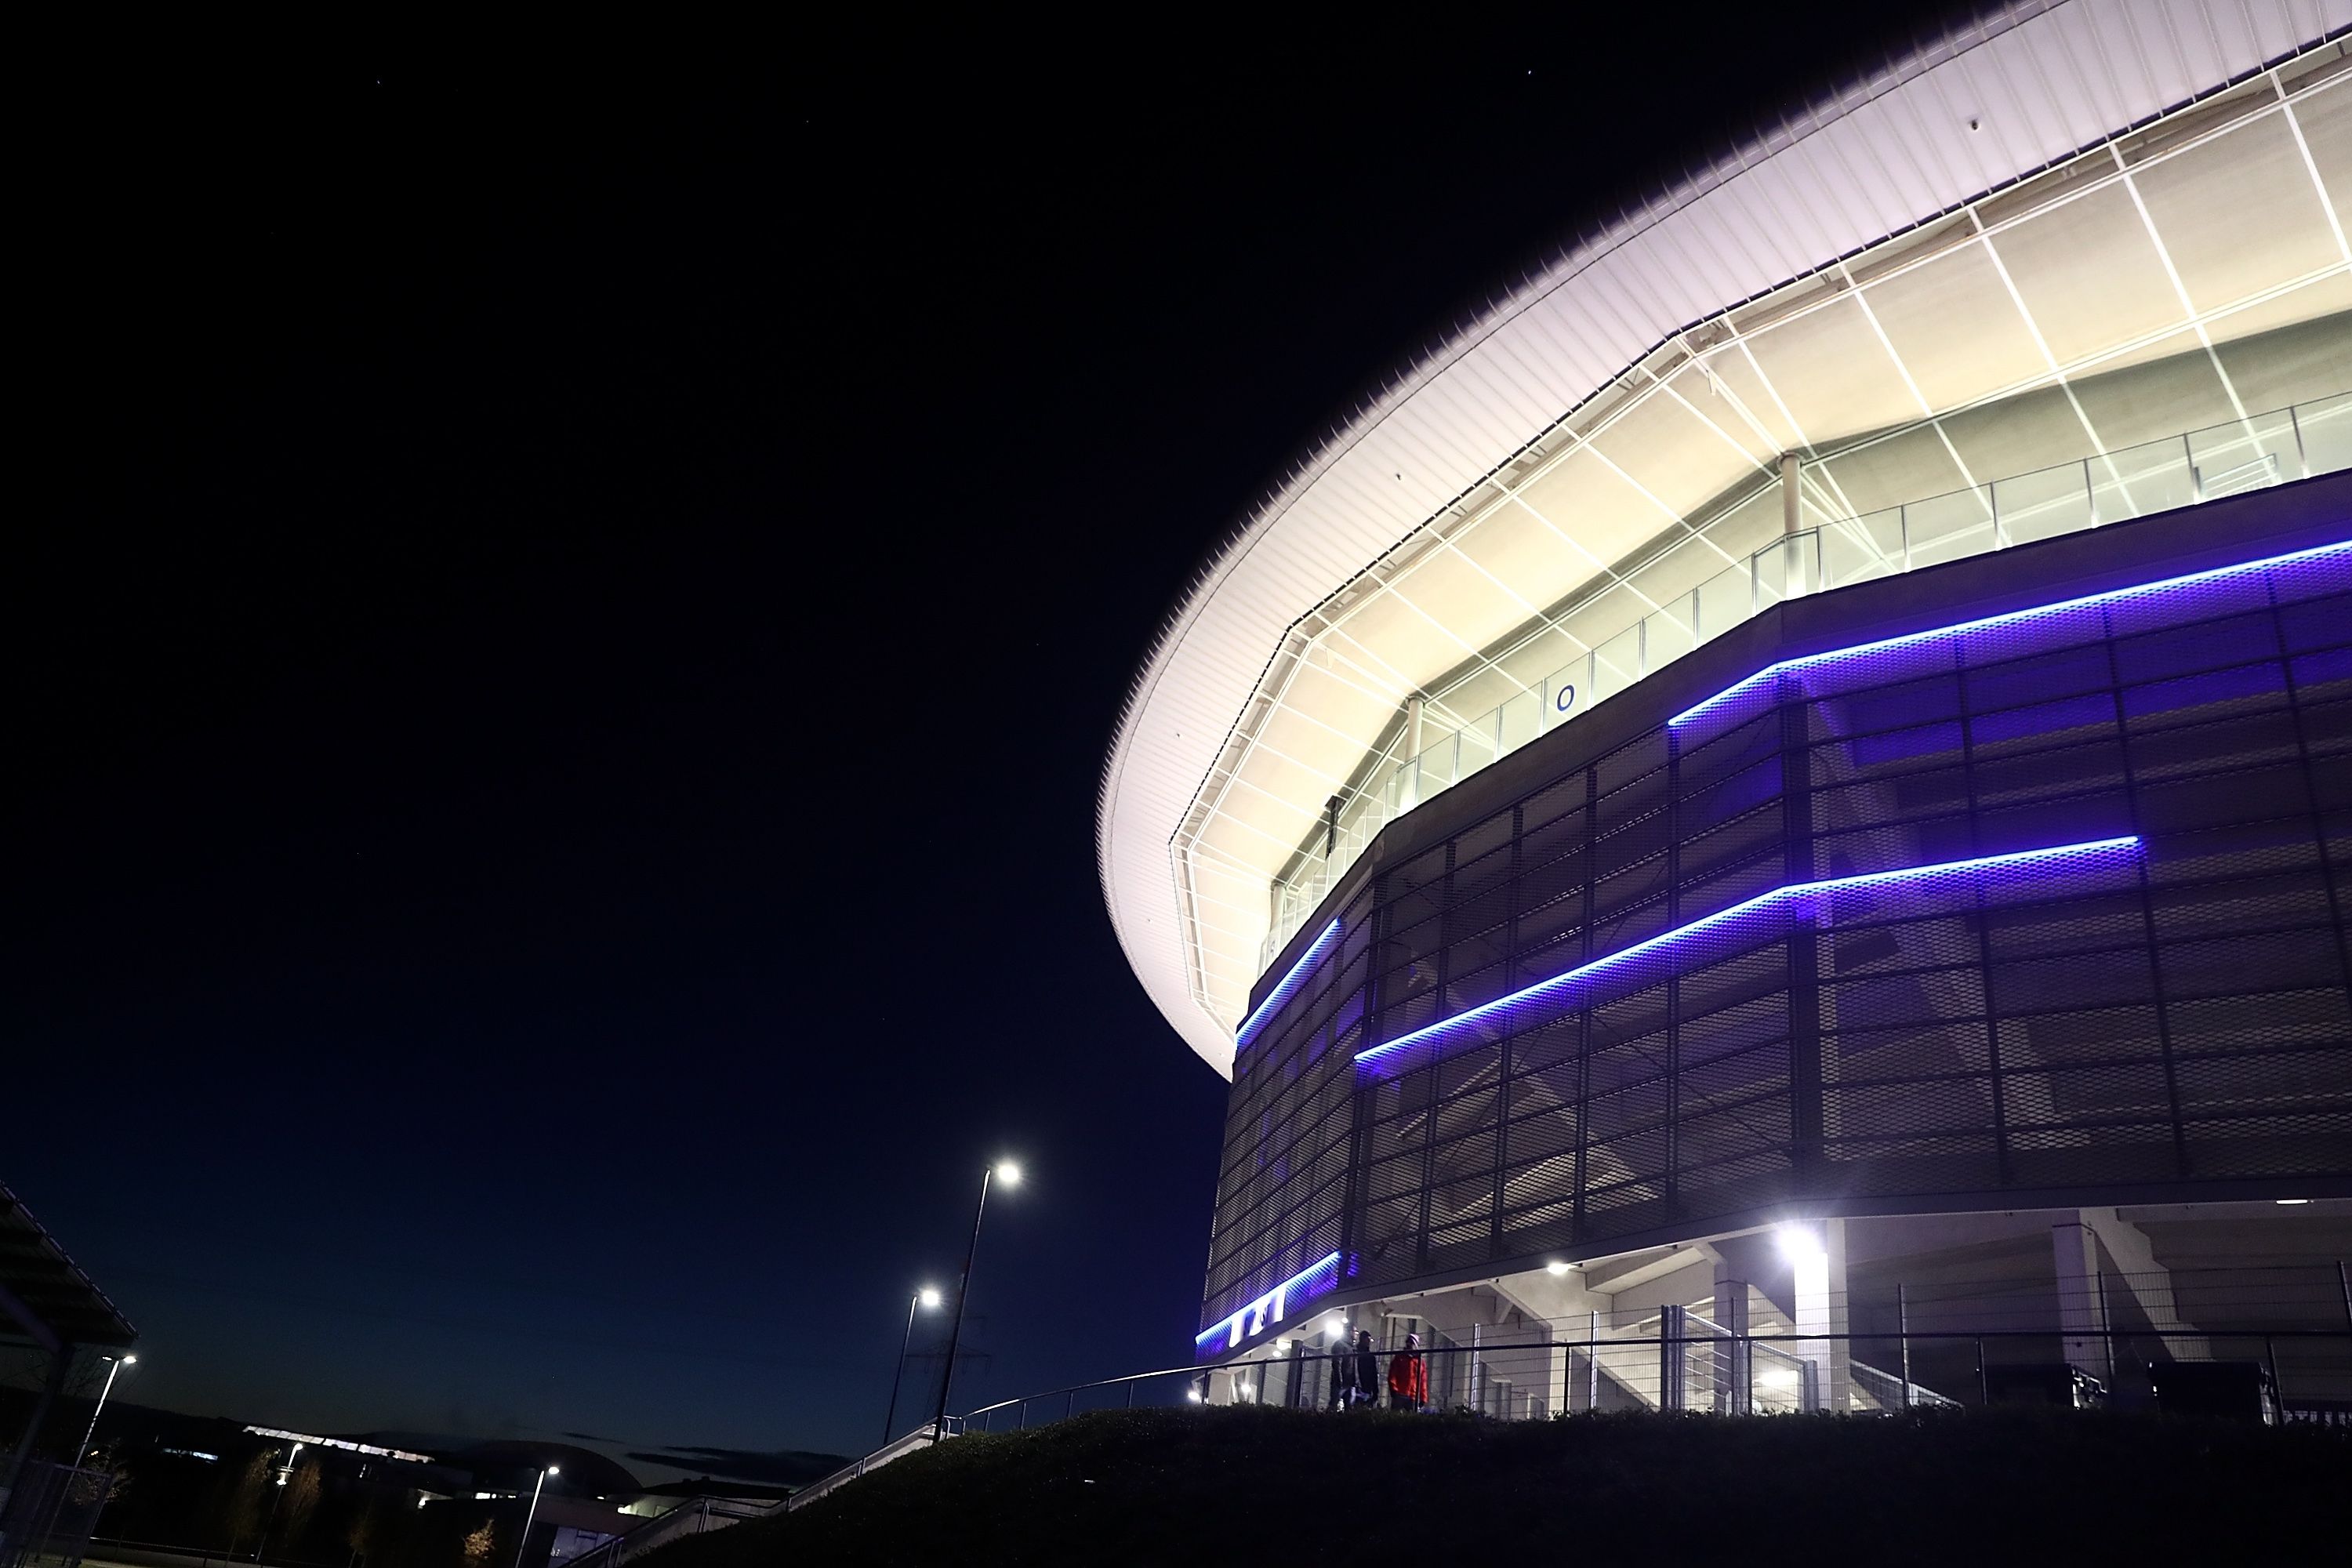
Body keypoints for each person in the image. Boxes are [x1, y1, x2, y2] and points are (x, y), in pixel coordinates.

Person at [1388, 1332, 1429, 1412]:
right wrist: (1394, 1389)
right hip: (1400, 1394)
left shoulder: (1420, 1362)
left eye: (1411, 1342)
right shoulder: (1399, 1358)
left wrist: (1423, 1397)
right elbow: (1393, 1375)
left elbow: (1423, 1381)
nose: (1409, 1344)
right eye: (1408, 1342)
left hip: (1412, 1396)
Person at [1352, 1329, 1381, 1409]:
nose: (1368, 1342)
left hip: (1362, 1385)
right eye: (1367, 1340)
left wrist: (1375, 1390)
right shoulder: (1367, 1355)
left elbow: (1374, 1374)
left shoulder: (1356, 1352)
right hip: (1360, 1385)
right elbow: (1374, 1374)